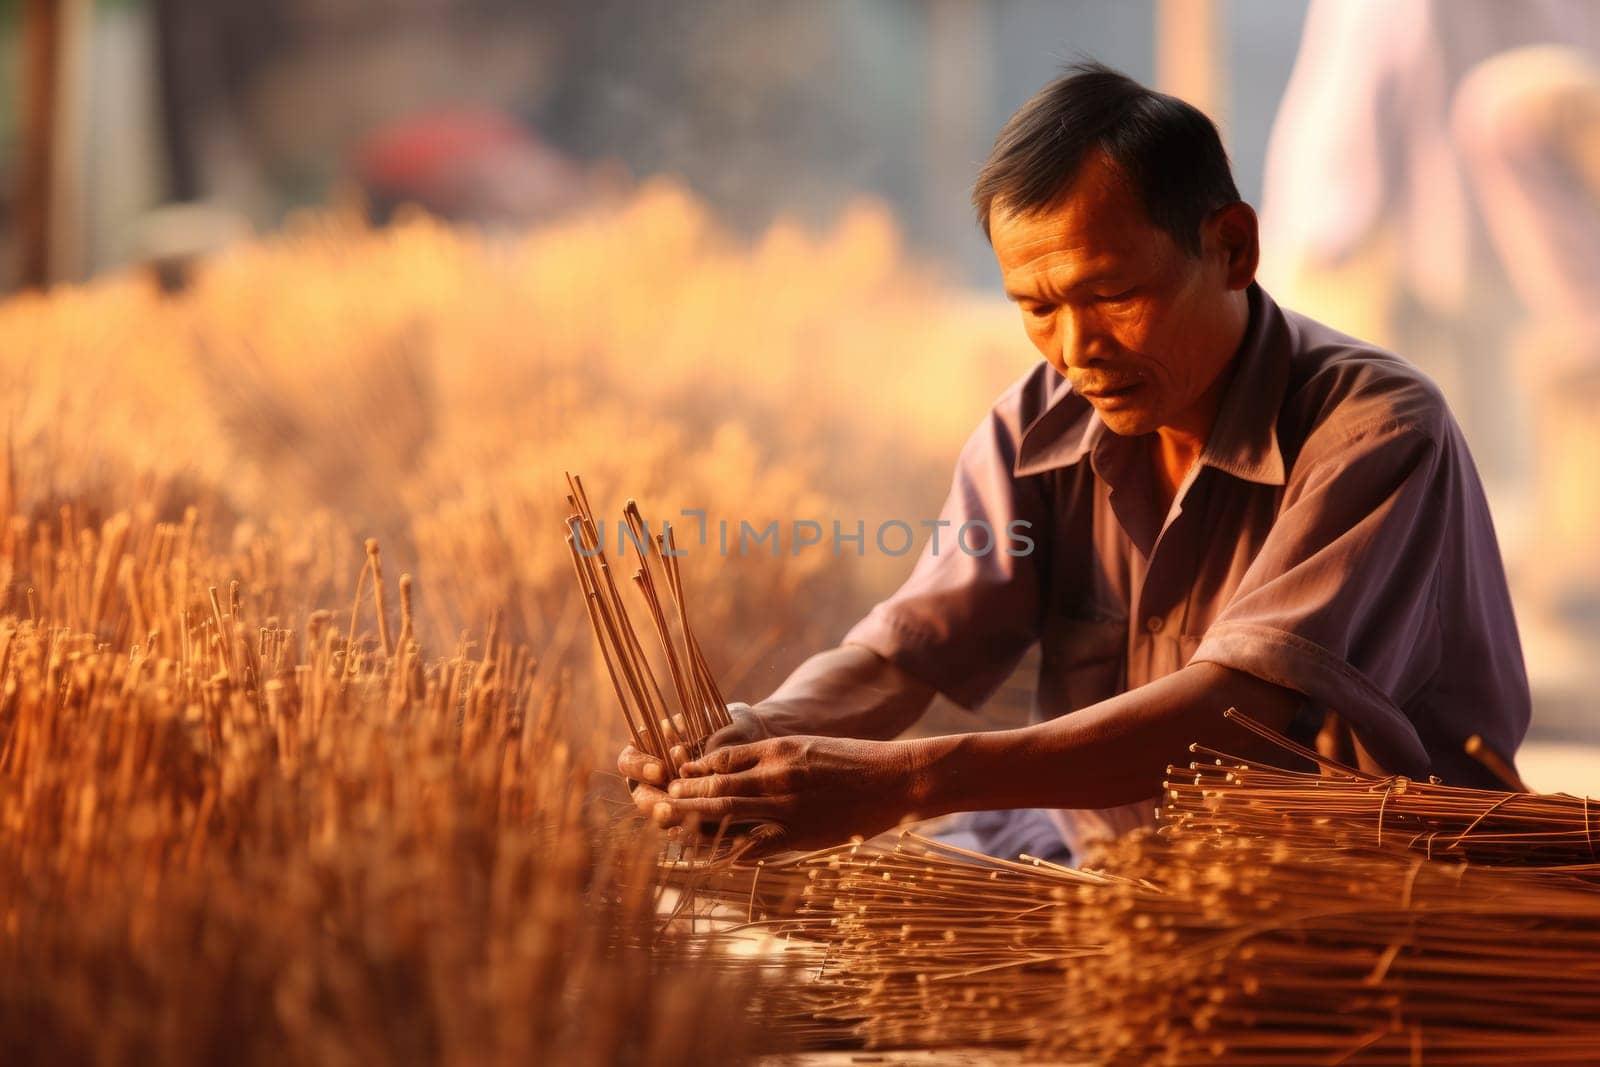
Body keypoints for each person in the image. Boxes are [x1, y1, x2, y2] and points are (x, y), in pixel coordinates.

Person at [618, 63, 1531, 861]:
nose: (1075, 347)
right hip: (1116, 870)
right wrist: (755, 737)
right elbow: (909, 653)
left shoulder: (1375, 431)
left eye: (1113, 294)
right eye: (1037, 306)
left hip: (1357, 888)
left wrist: (905, 778)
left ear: (1233, 249)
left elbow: (1233, 715)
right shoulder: (1039, 421)